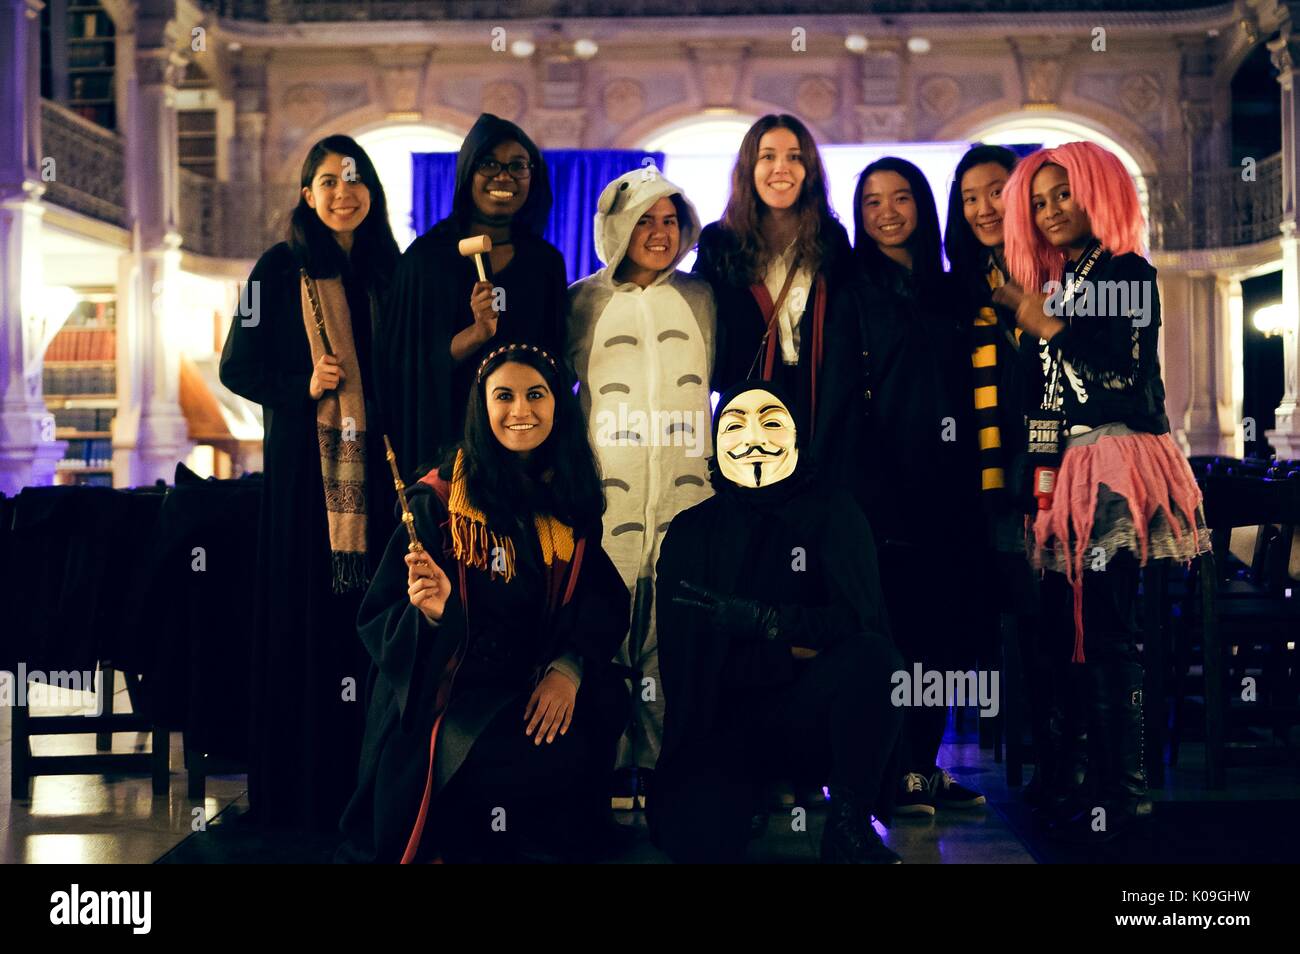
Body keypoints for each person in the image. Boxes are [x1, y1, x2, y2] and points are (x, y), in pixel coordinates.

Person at [337, 343, 631, 863]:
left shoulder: (567, 498)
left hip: (533, 677)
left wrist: (567, 669)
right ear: (483, 406)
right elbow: (380, 618)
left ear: (558, 403)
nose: (521, 411)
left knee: (605, 702)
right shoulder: (439, 503)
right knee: (543, 755)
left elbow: (601, 597)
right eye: (505, 397)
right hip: (455, 694)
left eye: (536, 395)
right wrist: (434, 614)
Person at [996, 140, 1209, 841]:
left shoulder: (1128, 272)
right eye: (1039, 202)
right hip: (1063, 471)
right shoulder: (1061, 282)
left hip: (1115, 464)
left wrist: (1043, 325)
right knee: (1064, 631)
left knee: (1111, 633)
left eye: (1064, 194)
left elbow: (1121, 383)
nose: (1052, 210)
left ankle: (1128, 785)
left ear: (1100, 193)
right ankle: (1082, 775)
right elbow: (1046, 403)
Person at [219, 134, 399, 831]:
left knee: (370, 632)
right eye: (328, 181)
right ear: (306, 193)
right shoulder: (276, 270)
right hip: (306, 486)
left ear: (371, 193)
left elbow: (411, 361)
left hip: (378, 484)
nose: (343, 193)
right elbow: (238, 366)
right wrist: (305, 383)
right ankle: (304, 795)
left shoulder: (390, 269)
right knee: (308, 629)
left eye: (355, 182)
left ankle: (369, 786)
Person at [649, 381, 904, 864]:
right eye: (736, 423)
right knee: (695, 840)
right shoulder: (691, 532)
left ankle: (848, 823)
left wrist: (767, 623)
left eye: (770, 422)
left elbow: (860, 628)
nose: (753, 437)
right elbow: (688, 660)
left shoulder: (834, 513)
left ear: (797, 435)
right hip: (719, 725)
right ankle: (743, 802)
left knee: (878, 664)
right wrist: (796, 646)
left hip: (813, 721)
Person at [818, 156, 986, 817]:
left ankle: (923, 766)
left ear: (922, 203)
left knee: (941, 635)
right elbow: (835, 397)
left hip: (953, 488)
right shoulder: (852, 291)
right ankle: (888, 774)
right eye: (872, 202)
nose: (887, 211)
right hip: (878, 490)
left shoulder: (953, 289)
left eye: (901, 197)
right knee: (890, 633)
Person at [567, 165, 716, 778]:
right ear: (618, 226)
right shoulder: (582, 300)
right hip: (607, 493)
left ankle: (660, 769)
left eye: (670, 219)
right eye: (646, 220)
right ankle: (606, 766)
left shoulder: (703, 297)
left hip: (687, 492)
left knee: (672, 632)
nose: (660, 232)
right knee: (608, 624)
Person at [945, 145, 1070, 809]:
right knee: (1025, 628)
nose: (983, 207)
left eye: (996, 190)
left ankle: (1077, 766)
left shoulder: (1062, 274)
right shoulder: (961, 286)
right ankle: (1046, 764)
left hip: (1067, 479)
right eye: (969, 197)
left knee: (1067, 628)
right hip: (993, 490)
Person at [379, 113, 567, 473]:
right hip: (445, 450)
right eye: (489, 164)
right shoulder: (424, 261)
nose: (504, 177)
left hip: (523, 450)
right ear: (468, 173)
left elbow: (556, 359)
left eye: (517, 166)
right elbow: (401, 368)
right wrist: (475, 335)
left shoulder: (544, 263)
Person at [693, 114, 851, 441]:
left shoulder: (831, 238)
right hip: (748, 407)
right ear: (749, 167)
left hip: (822, 407)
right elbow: (702, 327)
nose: (782, 167)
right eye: (768, 156)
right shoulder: (720, 242)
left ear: (809, 170)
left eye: (795, 157)